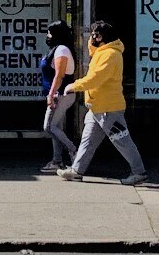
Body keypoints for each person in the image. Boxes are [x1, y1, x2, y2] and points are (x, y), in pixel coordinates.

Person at [59, 19, 147, 186]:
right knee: (87, 140)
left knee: (122, 141)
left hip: (109, 110)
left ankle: (139, 172)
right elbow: (93, 59)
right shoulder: (102, 53)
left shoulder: (110, 55)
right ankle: (77, 170)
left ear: (100, 37)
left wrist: (75, 86)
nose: (90, 39)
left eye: (93, 35)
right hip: (98, 108)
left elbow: (96, 79)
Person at [41, 19, 79, 174]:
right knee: (56, 127)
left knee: (49, 126)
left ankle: (74, 151)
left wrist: (51, 94)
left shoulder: (61, 50)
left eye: (50, 32)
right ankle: (57, 160)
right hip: (59, 93)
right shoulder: (58, 49)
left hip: (60, 94)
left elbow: (59, 75)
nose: (47, 35)